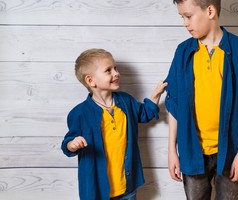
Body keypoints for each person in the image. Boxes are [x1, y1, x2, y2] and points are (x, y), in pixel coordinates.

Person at [164, 0, 238, 199]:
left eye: (188, 16)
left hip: (231, 151)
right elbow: (175, 103)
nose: (185, 23)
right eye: (182, 17)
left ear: (210, 11)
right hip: (192, 152)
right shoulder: (183, 52)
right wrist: (172, 151)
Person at [61, 49, 167, 200]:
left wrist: (157, 93)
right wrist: (73, 144)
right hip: (97, 190)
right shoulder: (79, 113)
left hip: (127, 187)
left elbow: (145, 113)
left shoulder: (126, 101)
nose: (116, 73)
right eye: (108, 70)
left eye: (115, 68)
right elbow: (68, 144)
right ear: (91, 80)